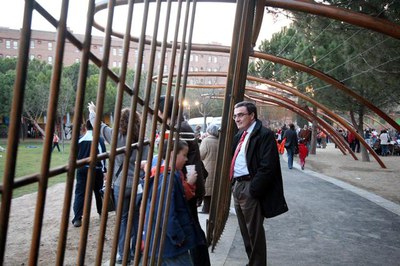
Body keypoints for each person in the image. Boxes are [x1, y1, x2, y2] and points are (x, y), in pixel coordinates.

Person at [88, 102, 149, 264]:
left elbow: (97, 125)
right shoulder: (144, 141)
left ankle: (122, 255)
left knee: (122, 220)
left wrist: (92, 111)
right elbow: (146, 164)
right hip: (138, 185)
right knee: (136, 218)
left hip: (120, 185)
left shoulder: (114, 135)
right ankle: (135, 252)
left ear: (121, 121)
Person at [231, 101, 288, 266]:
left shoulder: (264, 134)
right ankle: (252, 262)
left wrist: (253, 189)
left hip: (250, 187)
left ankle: (258, 264)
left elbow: (268, 166)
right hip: (239, 185)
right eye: (235, 115)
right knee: (245, 232)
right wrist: (234, 184)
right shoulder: (239, 135)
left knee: (254, 233)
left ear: (252, 115)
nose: (237, 119)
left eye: (241, 115)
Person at [158, 95, 210, 266]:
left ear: (163, 111)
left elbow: (185, 160)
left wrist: (187, 186)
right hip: (189, 183)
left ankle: (200, 262)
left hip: (187, 184)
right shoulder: (180, 125)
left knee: (192, 227)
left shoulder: (180, 128)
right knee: (193, 226)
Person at [144, 140, 200, 265]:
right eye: (184, 155)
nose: (186, 159)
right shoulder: (167, 179)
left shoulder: (170, 175)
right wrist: (177, 236)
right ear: (172, 153)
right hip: (169, 244)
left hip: (166, 243)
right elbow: (165, 212)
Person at [72, 120, 107, 228]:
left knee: (80, 193)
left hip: (82, 170)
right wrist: (104, 170)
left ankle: (77, 218)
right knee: (99, 192)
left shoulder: (79, 139)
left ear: (86, 127)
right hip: (96, 170)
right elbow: (103, 156)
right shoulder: (99, 140)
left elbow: (74, 156)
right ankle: (101, 214)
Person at [199, 124, 219, 213]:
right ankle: (213, 209)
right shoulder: (219, 141)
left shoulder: (206, 141)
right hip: (217, 168)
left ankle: (206, 209)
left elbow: (201, 155)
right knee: (214, 188)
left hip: (207, 167)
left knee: (207, 189)